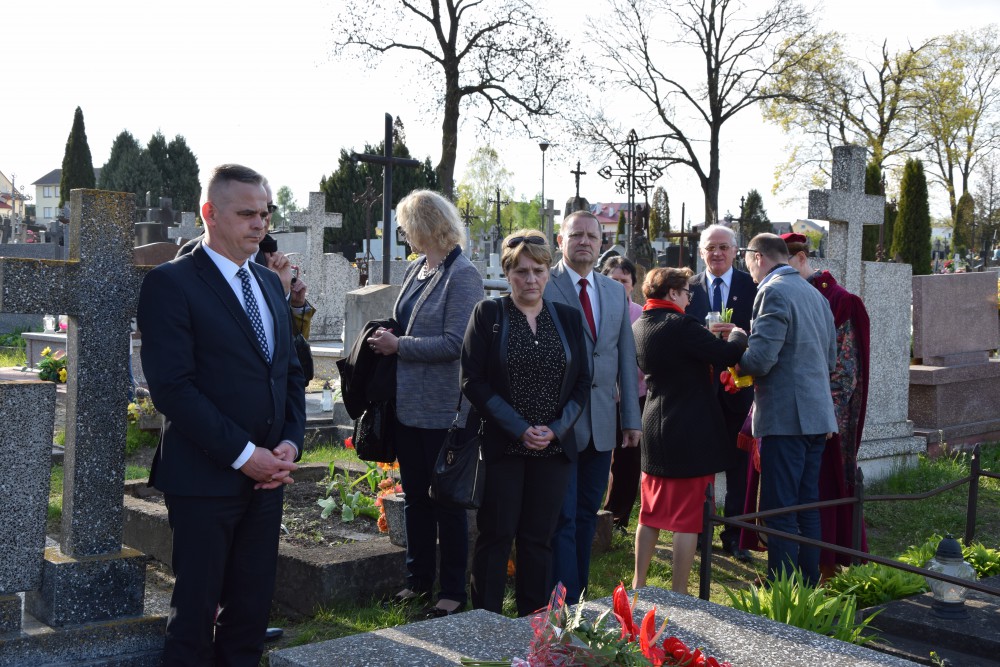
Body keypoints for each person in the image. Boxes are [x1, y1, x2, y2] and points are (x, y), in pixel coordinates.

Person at [137, 164, 305, 666]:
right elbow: (173, 388)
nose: (260, 223)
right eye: (247, 213)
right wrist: (244, 455)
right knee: (195, 618)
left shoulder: (269, 284)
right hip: (205, 479)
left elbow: (289, 372)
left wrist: (289, 443)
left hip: (269, 478)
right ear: (210, 213)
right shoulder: (171, 283)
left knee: (249, 615)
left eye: (265, 213)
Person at [461, 229, 591, 616]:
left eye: (538, 270)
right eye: (521, 271)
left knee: (539, 539)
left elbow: (582, 381)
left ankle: (532, 622)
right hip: (504, 446)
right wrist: (518, 427)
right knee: (496, 535)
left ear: (549, 272)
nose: (530, 279)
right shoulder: (489, 314)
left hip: (553, 448)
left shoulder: (567, 318)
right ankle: (485, 620)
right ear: (507, 273)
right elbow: (472, 380)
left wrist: (557, 428)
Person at [367, 189, 483, 617]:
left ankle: (452, 591)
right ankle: (417, 581)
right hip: (407, 405)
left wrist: (400, 346)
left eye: (405, 226)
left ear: (423, 226)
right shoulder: (417, 268)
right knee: (415, 497)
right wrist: (388, 335)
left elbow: (456, 344)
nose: (403, 234)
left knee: (446, 502)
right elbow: (407, 322)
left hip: (442, 409)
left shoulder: (463, 275)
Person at [631, 267, 747, 594]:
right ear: (672, 293)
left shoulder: (640, 324)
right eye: (686, 293)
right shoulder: (681, 325)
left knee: (650, 513)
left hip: (655, 424)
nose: (688, 299)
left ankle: (639, 583)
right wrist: (738, 334)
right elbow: (726, 354)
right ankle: (680, 592)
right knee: (687, 519)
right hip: (689, 430)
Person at [545, 210, 641, 603]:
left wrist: (630, 419)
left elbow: (625, 358)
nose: (584, 241)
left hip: (602, 424)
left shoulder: (614, 291)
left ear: (602, 243)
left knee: (587, 514)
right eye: (576, 235)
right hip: (559, 424)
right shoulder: (544, 283)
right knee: (562, 517)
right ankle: (561, 604)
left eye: (592, 236)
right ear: (560, 241)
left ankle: (579, 598)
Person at [735, 233, 837, 587]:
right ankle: (807, 586)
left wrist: (736, 343)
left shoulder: (773, 290)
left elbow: (760, 361)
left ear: (758, 257)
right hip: (817, 415)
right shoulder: (815, 294)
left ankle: (783, 589)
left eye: (748, 263)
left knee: (780, 509)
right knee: (806, 504)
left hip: (786, 418)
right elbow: (830, 360)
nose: (749, 272)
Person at [784, 233, 870, 581]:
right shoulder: (783, 293)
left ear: (801, 258)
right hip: (789, 412)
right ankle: (788, 562)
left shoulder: (840, 301)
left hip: (826, 415)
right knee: (788, 488)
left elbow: (846, 368)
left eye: (784, 264)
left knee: (821, 486)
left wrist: (824, 415)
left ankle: (825, 563)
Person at [685, 224, 757, 561]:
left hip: (739, 390)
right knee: (701, 465)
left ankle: (736, 535)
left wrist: (740, 336)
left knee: (739, 467)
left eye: (723, 247)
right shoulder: (687, 287)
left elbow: (764, 333)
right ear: (701, 252)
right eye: (710, 247)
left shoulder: (752, 285)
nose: (716, 253)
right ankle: (700, 531)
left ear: (735, 251)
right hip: (699, 391)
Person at [599, 256, 647, 534]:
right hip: (600, 396)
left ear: (633, 285)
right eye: (613, 280)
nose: (618, 285)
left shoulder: (640, 314)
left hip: (633, 395)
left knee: (627, 460)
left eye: (624, 281)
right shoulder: (595, 309)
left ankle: (618, 518)